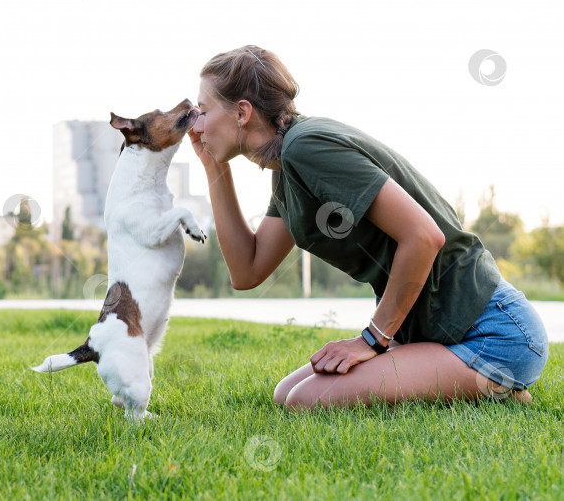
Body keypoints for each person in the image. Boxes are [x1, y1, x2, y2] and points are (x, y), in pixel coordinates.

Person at [189, 44, 549, 410]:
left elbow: (424, 236)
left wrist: (371, 340)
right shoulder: (287, 165)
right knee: (286, 394)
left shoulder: (306, 148)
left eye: (203, 111)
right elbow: (247, 270)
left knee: (307, 400)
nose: (196, 124)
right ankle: (481, 383)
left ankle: (496, 380)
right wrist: (213, 167)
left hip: (493, 332)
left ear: (242, 112)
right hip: (430, 332)